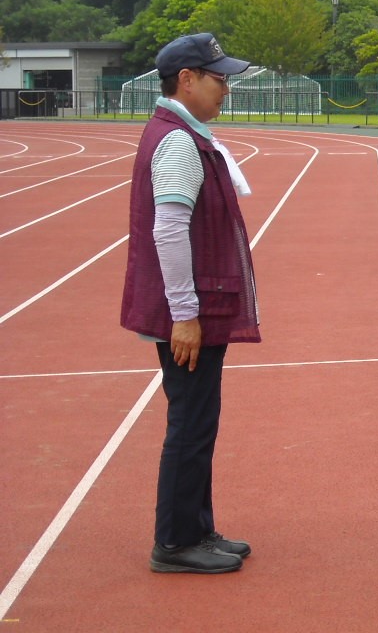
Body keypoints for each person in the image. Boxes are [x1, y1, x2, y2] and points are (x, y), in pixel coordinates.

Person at [121, 33, 261, 574]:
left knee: (199, 418)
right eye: (218, 77)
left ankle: (196, 526)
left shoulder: (181, 133)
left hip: (197, 305)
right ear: (187, 79)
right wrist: (184, 315)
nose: (226, 88)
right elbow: (170, 229)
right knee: (190, 421)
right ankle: (176, 542)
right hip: (189, 310)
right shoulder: (179, 142)